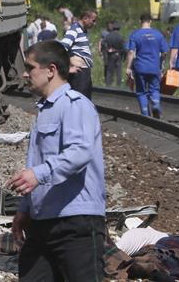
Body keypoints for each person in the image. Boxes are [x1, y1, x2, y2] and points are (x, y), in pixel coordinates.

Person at [7, 40, 106, 281]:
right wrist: (25, 208)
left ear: (50, 70)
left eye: (30, 68)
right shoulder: (46, 110)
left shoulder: (76, 105)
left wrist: (38, 175)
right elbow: (37, 161)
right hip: (43, 223)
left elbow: (80, 152)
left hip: (75, 224)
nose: (24, 73)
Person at [125, 14, 169, 118]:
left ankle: (145, 114)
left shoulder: (135, 34)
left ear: (140, 21)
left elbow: (131, 52)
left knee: (141, 91)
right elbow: (165, 52)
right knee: (155, 89)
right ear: (150, 21)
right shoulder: (158, 34)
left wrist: (128, 67)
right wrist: (160, 63)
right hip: (154, 67)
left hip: (140, 67)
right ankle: (156, 104)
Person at [59, 9, 98, 99]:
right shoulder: (74, 29)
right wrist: (67, 68)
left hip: (84, 72)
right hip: (79, 74)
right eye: (93, 21)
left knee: (86, 100)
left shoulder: (82, 31)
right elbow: (62, 48)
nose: (94, 24)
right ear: (85, 18)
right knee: (80, 100)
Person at [103, 22, 125, 87]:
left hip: (110, 55)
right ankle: (119, 86)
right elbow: (124, 48)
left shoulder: (108, 35)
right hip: (119, 55)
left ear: (113, 28)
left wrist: (107, 49)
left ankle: (108, 86)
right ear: (119, 28)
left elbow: (103, 43)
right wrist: (124, 57)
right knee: (119, 72)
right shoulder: (121, 36)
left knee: (109, 71)